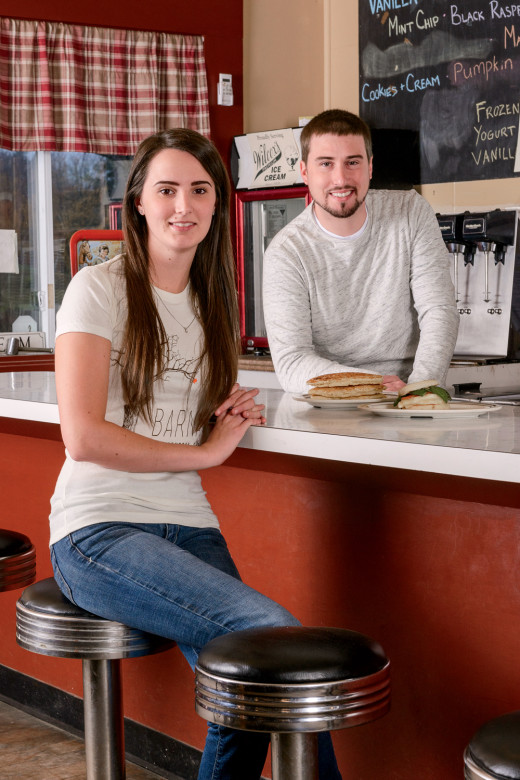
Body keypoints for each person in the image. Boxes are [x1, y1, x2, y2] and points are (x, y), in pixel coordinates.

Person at [49, 128, 341, 780]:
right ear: (139, 203)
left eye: (200, 190)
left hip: (188, 523)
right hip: (97, 530)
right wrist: (207, 454)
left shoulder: (213, 304)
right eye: (168, 189)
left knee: (247, 683)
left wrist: (227, 411)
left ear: (217, 205)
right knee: (276, 637)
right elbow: (84, 437)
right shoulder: (98, 290)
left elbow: (181, 409)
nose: (184, 204)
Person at [262, 109, 459, 395]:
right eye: (326, 164)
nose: (340, 179)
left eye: (352, 162)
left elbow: (439, 310)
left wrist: (418, 390)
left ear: (369, 166)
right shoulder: (287, 251)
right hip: (329, 403)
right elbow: (292, 363)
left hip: (410, 391)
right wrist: (372, 384)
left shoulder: (410, 212)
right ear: (304, 171)